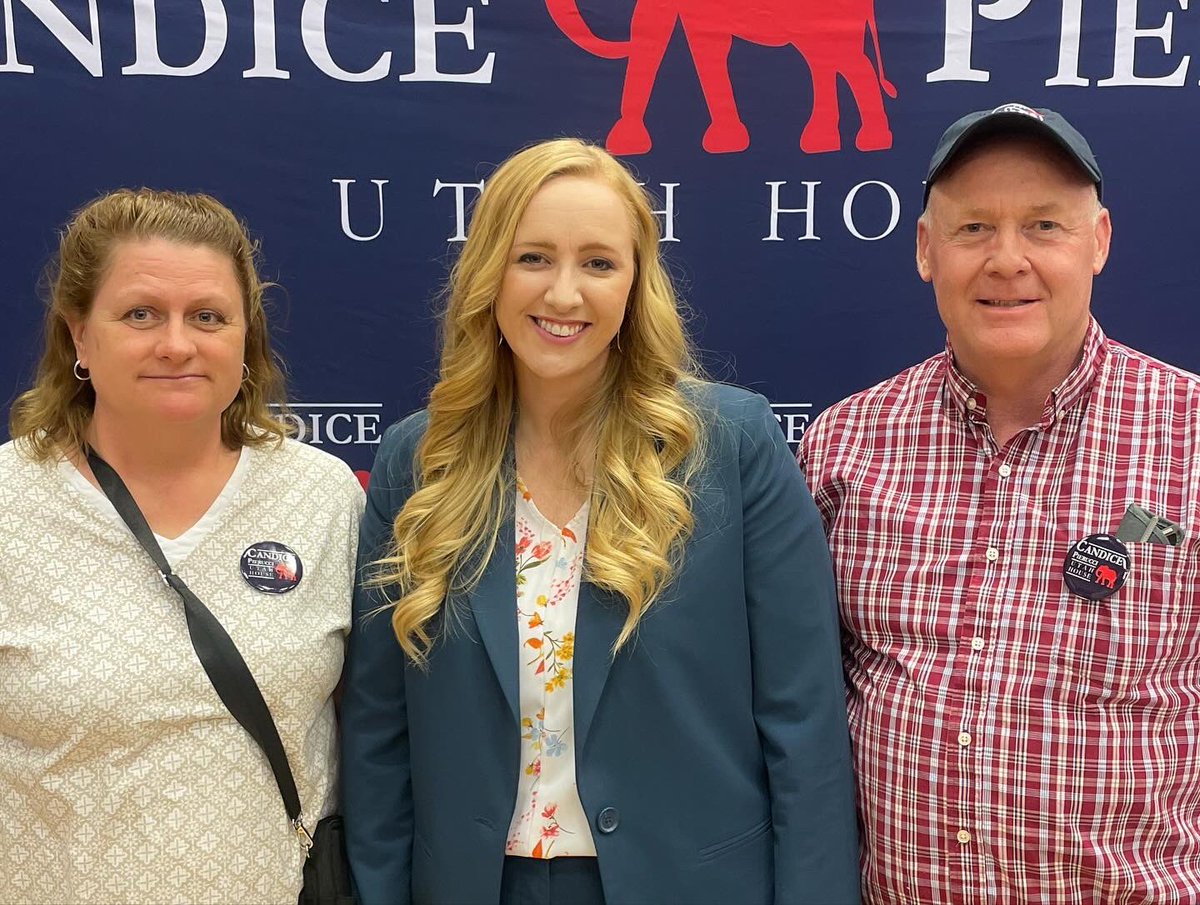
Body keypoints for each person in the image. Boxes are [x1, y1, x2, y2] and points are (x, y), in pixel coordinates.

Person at [341, 138, 859, 905]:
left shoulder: (731, 445)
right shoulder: (417, 462)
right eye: (533, 258)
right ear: (489, 273)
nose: (563, 293)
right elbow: (377, 737)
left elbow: (803, 717)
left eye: (598, 262)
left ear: (635, 284)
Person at [799, 103, 1200, 901]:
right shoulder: (844, 445)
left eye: (1044, 226)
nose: (1007, 259)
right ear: (925, 249)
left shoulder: (1189, 434)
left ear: (1100, 241)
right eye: (974, 228)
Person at [0, 189, 364, 904]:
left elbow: (380, 731)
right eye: (140, 314)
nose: (176, 342)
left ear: (246, 338)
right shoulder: (9, 503)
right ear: (79, 336)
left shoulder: (325, 498)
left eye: (208, 316)